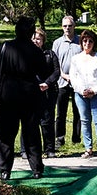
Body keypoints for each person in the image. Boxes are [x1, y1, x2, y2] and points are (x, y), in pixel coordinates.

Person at [0, 17, 51, 180]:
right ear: (31, 33)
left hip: (8, 94)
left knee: (5, 133)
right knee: (31, 132)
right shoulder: (36, 51)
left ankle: (5, 169)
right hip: (29, 94)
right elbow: (44, 71)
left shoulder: (5, 47)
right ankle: (37, 169)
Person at [69, 29, 97, 159]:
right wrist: (82, 91)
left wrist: (94, 90)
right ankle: (88, 148)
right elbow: (73, 77)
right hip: (80, 94)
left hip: (96, 93)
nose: (87, 43)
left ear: (94, 43)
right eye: (85, 41)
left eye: (90, 41)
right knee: (85, 121)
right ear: (81, 42)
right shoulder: (76, 59)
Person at [52, 15, 82, 148]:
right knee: (61, 112)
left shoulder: (81, 41)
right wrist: (63, 75)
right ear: (61, 27)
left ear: (74, 26)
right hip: (62, 82)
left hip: (77, 82)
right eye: (65, 26)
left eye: (70, 26)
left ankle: (76, 137)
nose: (67, 28)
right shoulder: (57, 43)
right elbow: (54, 63)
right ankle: (59, 137)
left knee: (78, 111)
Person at [32, 27, 60, 158]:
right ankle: (28, 150)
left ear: (43, 41)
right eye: (33, 38)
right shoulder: (26, 54)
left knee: (47, 121)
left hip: (48, 91)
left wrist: (47, 83)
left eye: (38, 39)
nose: (35, 41)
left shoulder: (50, 54)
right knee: (30, 122)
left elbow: (56, 72)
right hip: (31, 92)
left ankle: (49, 149)